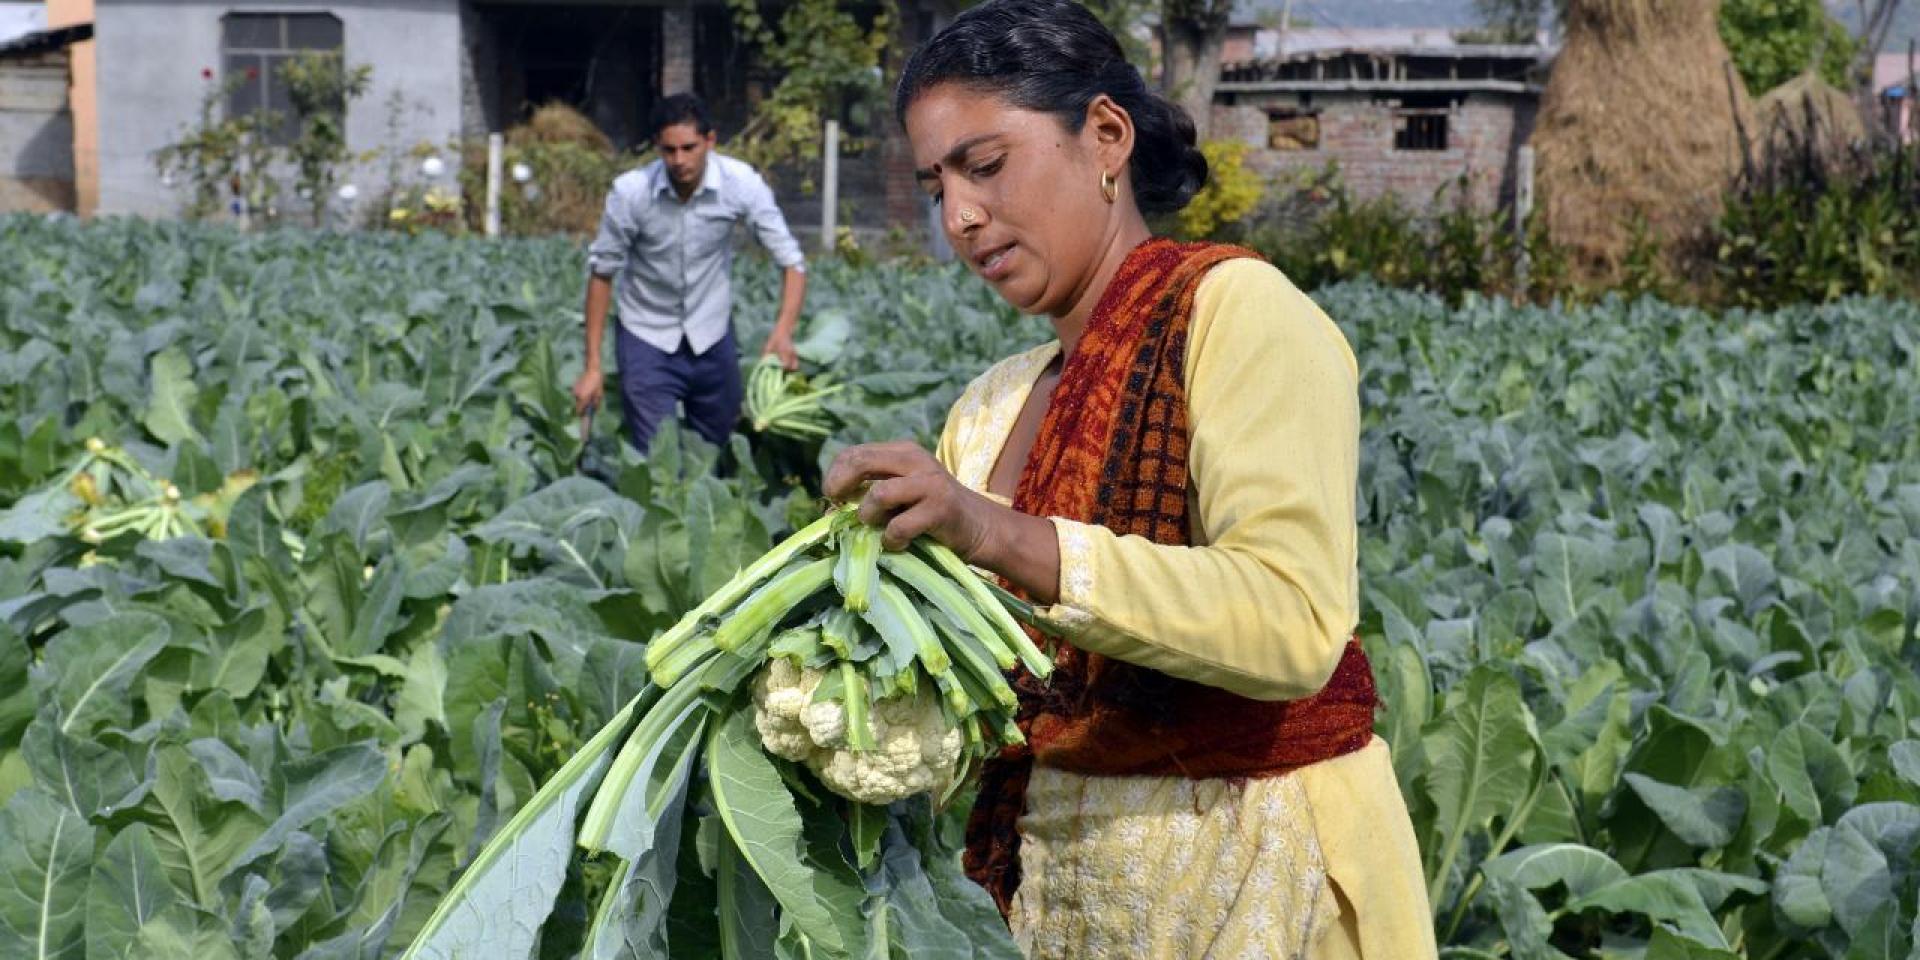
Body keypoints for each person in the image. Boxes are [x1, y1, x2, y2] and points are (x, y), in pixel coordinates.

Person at [821, 1, 1436, 957]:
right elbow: (983, 702)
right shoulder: (987, 410)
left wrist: (993, 534)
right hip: (1058, 906)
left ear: (1106, 137)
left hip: (1259, 884)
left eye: (985, 167)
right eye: (936, 185)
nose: (961, 216)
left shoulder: (1237, 314)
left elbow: (1292, 621)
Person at [573, 92, 808, 453]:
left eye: (689, 147)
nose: (679, 160)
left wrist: (783, 333)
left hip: (711, 334)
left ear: (710, 141)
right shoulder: (631, 193)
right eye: (669, 150)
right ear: (656, 147)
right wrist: (592, 366)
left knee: (714, 451)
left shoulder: (740, 184)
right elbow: (602, 273)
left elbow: (791, 261)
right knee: (656, 460)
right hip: (645, 336)